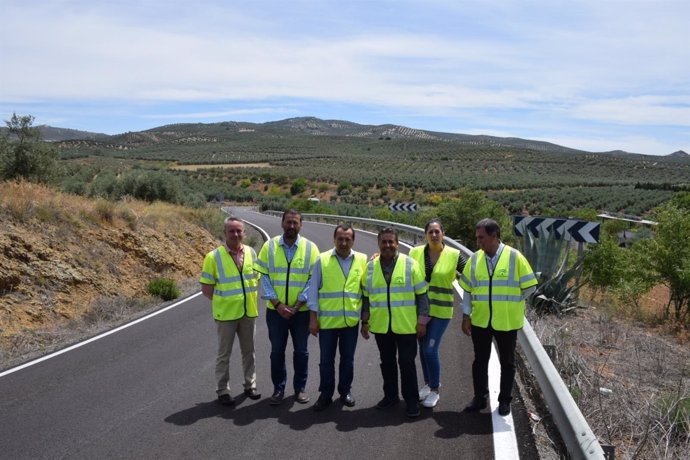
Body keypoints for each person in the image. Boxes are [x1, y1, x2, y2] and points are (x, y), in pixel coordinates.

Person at [459, 218, 538, 416]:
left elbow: (530, 286)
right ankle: (479, 398)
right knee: (479, 361)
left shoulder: (514, 257)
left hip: (507, 321)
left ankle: (504, 400)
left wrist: (512, 302)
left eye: (481, 237)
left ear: (494, 236)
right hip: (481, 320)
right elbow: (467, 290)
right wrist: (466, 315)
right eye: (478, 238)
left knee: (508, 363)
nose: (478, 242)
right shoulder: (475, 259)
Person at [360, 227, 430, 418]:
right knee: (387, 363)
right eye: (384, 242)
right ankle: (390, 397)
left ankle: (412, 401)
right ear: (379, 244)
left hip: (406, 326)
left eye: (391, 242)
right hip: (382, 326)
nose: (388, 245)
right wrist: (364, 322)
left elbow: (422, 295)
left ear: (397, 244)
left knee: (407, 363)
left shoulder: (410, 264)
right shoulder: (371, 267)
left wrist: (422, 321)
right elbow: (366, 296)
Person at [255, 209, 319, 405]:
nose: (292, 226)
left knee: (301, 352)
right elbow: (263, 276)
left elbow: (313, 280)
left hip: (301, 313)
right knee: (277, 352)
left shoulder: (311, 248)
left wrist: (298, 304)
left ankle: (299, 389)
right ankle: (278, 389)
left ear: (301, 225)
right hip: (276, 312)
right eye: (288, 222)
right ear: (282, 223)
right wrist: (278, 304)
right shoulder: (269, 246)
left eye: (295, 223)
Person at [199, 217, 261, 406]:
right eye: (231, 231)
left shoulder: (251, 253)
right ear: (225, 233)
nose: (235, 234)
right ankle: (223, 390)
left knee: (249, 352)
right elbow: (206, 289)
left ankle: (250, 385)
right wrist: (227, 301)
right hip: (226, 315)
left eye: (239, 231)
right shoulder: (213, 257)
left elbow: (255, 278)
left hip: (248, 312)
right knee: (224, 354)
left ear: (244, 233)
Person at [306, 224, 367, 411]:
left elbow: (365, 293)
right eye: (340, 238)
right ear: (334, 240)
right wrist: (313, 319)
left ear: (353, 241)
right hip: (328, 323)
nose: (343, 242)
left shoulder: (363, 260)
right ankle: (325, 394)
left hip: (350, 323)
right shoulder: (322, 260)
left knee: (347, 360)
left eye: (347, 239)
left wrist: (365, 321)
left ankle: (345, 392)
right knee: (326, 361)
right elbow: (313, 292)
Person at [409, 218, 466, 409]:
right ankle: (427, 383)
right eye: (430, 232)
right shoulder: (415, 252)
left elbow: (473, 273)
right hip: (419, 311)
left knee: (430, 350)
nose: (434, 235)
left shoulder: (454, 255)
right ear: (425, 234)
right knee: (423, 349)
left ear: (443, 234)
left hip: (441, 311)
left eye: (437, 231)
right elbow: (402, 268)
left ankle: (435, 389)